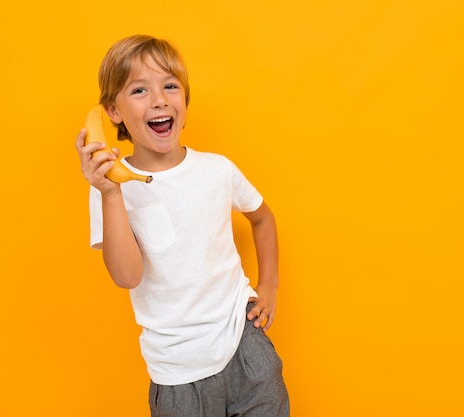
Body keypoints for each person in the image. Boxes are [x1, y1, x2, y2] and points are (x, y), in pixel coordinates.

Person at [75, 34, 289, 416]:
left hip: (245, 346)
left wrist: (268, 285)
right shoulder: (112, 186)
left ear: (184, 105)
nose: (159, 99)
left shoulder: (218, 170)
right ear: (113, 111)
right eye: (139, 90)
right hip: (178, 372)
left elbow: (262, 217)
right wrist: (109, 194)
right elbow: (127, 275)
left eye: (170, 86)